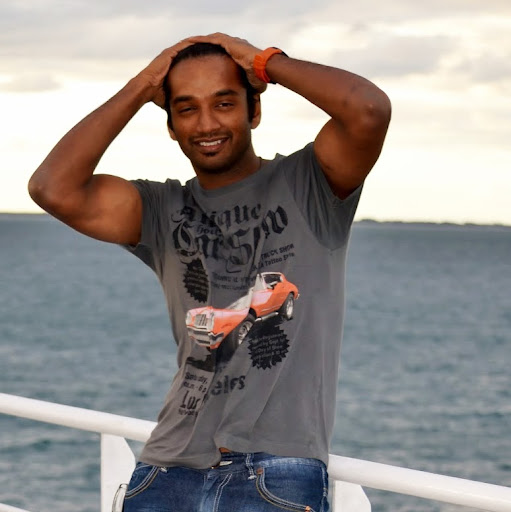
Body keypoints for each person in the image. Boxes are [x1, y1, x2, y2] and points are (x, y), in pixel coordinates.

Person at [28, 33, 391, 512]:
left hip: (274, 475)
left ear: (253, 111)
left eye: (223, 103)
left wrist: (265, 62)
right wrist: (143, 84)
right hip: (164, 470)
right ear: (171, 126)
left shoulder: (311, 184)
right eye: (186, 109)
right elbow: (52, 188)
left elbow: (368, 109)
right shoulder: (161, 210)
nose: (206, 124)